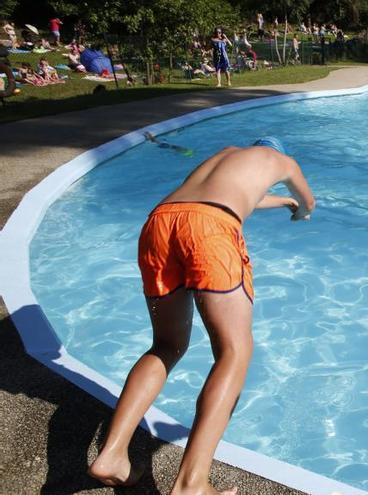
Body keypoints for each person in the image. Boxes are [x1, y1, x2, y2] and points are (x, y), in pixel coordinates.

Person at [87, 137, 316, 494]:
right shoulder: (281, 161)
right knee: (234, 353)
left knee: (166, 344)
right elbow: (308, 202)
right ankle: (192, 483)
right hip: (210, 229)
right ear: (277, 151)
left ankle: (113, 454)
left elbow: (234, 196)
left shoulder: (223, 154)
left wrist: (279, 201)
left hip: (160, 223)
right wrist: (299, 209)